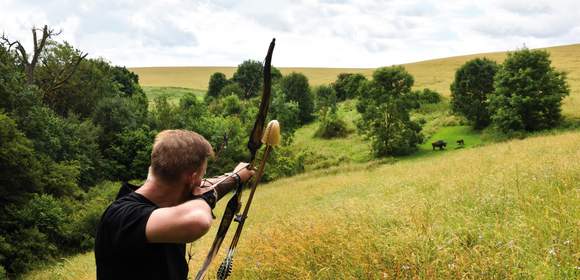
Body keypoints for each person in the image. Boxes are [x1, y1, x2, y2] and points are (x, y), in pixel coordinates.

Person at [94, 129, 255, 280]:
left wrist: (235, 177)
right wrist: (208, 196)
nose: (202, 183)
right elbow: (198, 219)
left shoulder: (163, 204)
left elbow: (204, 188)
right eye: (201, 176)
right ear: (192, 179)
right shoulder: (122, 216)